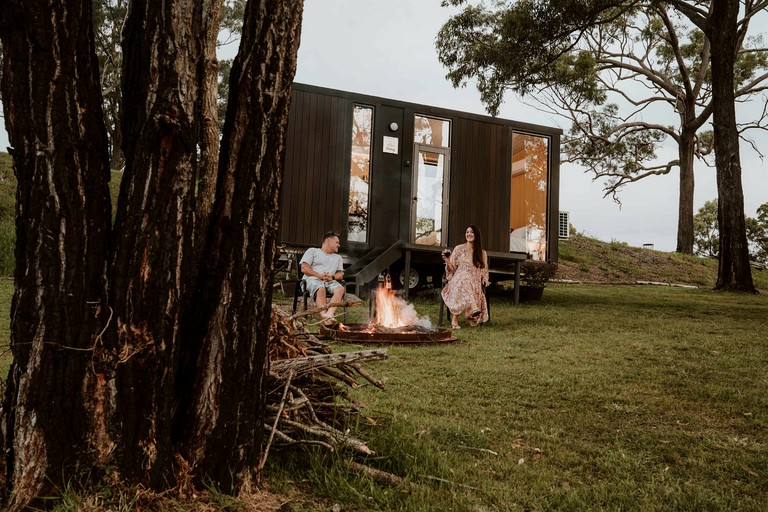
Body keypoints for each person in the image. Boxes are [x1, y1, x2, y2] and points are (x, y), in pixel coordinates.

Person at [441, 225, 490, 329]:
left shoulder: (482, 253)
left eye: (471, 232)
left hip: (474, 284)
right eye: (467, 232)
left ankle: (456, 318)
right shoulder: (459, 249)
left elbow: (484, 270)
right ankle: (473, 308)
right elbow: (451, 269)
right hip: (457, 282)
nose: (468, 234)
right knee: (463, 276)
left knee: (466, 279)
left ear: (476, 235)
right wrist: (447, 260)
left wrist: (485, 279)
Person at [300, 231, 345, 324]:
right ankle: (325, 319)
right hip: (312, 279)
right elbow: (304, 268)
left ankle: (329, 314)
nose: (339, 245)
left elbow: (340, 274)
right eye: (336, 242)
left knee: (340, 289)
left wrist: (332, 277)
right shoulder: (312, 251)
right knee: (321, 289)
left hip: (329, 281)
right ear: (328, 241)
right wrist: (319, 276)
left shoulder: (338, 257)